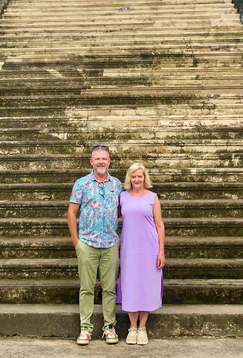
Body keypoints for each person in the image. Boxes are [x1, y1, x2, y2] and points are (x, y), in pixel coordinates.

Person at [67, 145, 123, 346]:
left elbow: (119, 210)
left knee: (109, 288)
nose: (101, 162)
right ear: (91, 161)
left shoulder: (116, 184)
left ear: (109, 161)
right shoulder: (82, 184)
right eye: (97, 158)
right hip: (87, 243)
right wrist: (76, 242)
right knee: (87, 288)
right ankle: (85, 328)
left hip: (109, 243)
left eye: (104, 159)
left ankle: (109, 327)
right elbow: (71, 212)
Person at [117, 163, 165, 346]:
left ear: (145, 178)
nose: (137, 180)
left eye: (140, 176)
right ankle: (132, 327)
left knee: (146, 285)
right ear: (129, 178)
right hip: (130, 248)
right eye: (134, 177)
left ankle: (142, 327)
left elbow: (159, 225)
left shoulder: (153, 198)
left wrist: (161, 251)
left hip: (149, 248)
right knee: (130, 284)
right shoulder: (122, 197)